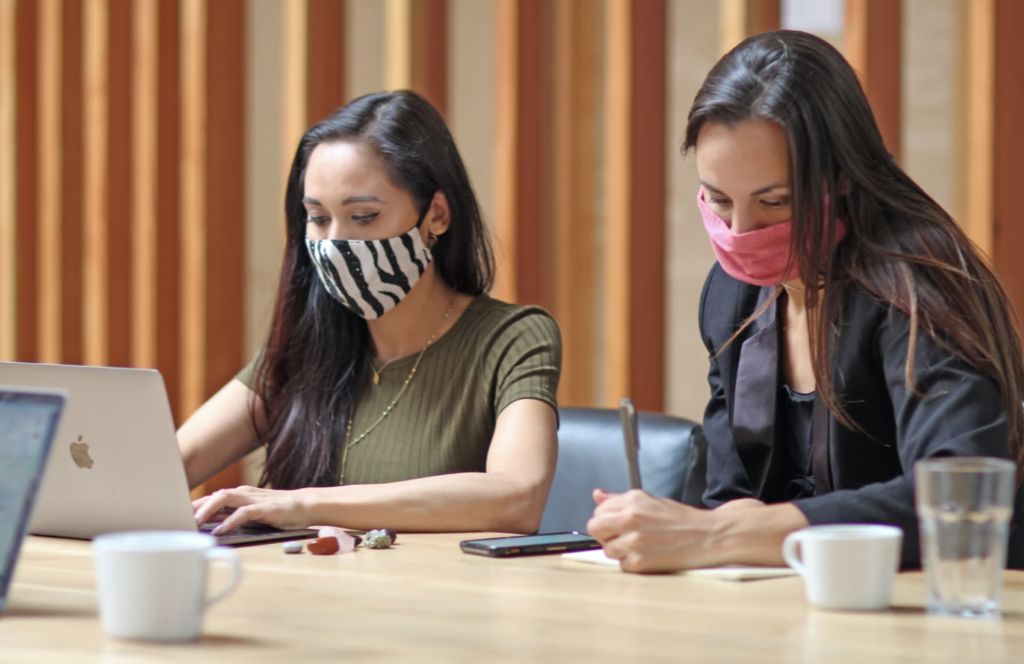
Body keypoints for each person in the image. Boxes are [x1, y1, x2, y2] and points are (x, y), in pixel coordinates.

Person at [587, 30, 1024, 572]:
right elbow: (729, 498)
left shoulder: (918, 287)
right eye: (719, 201)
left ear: (841, 177)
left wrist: (720, 533)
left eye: (774, 202)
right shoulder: (731, 295)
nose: (741, 232)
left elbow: (960, 495)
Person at [177, 91, 561, 535]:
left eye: (363, 217)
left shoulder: (512, 337)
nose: (336, 243)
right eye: (318, 219)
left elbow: (517, 497)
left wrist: (303, 504)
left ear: (435, 215)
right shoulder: (308, 347)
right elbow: (176, 463)